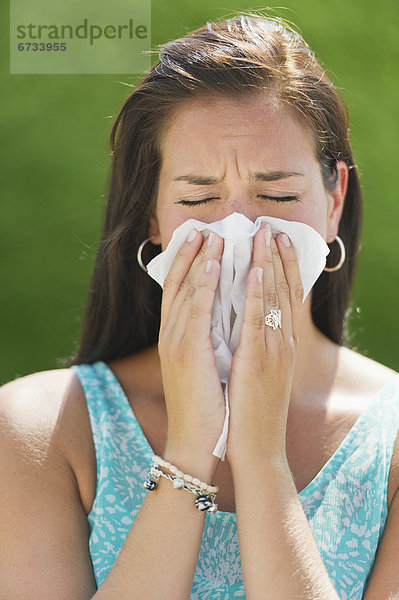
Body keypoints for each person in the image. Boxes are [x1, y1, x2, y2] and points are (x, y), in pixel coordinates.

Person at [1, 11, 398, 600]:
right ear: (152, 216)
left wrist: (261, 458)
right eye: (199, 197)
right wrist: (189, 451)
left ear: (334, 199)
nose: (239, 228)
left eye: (279, 194)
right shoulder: (37, 430)